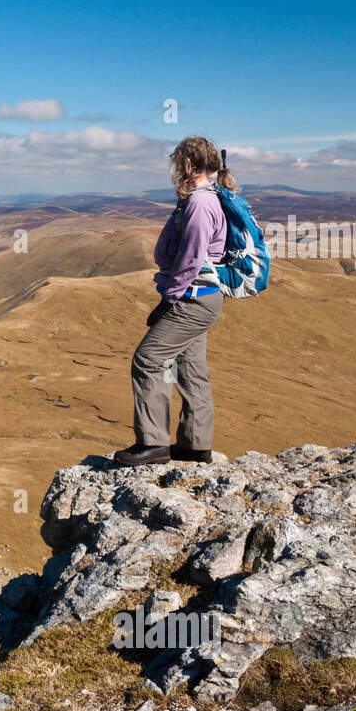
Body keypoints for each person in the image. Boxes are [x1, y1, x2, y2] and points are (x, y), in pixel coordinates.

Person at [115, 136, 233, 466]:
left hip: (192, 298)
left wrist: (169, 300)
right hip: (202, 297)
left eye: (175, 163)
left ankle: (153, 444)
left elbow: (191, 258)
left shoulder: (199, 204)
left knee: (149, 360)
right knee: (189, 367)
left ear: (184, 165)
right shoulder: (207, 197)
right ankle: (196, 446)